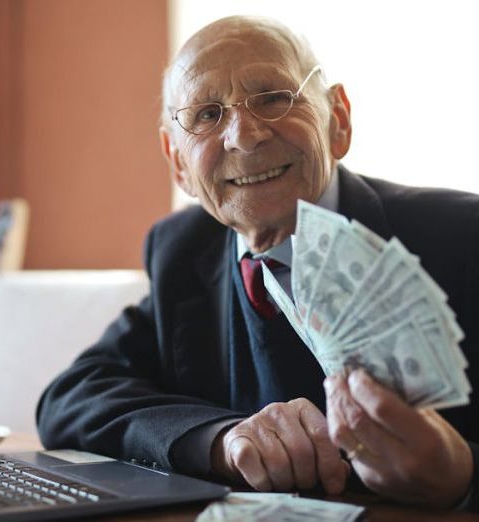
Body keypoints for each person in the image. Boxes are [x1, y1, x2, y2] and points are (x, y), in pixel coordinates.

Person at [37, 15, 479, 511]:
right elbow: (73, 397)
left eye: (273, 97)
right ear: (177, 162)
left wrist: (462, 475)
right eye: (206, 114)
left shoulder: (464, 236)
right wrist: (221, 440)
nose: (244, 136)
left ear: (338, 119)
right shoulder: (184, 249)